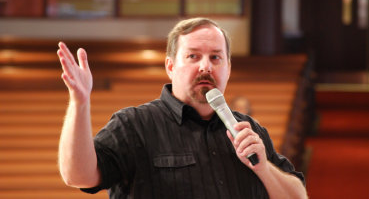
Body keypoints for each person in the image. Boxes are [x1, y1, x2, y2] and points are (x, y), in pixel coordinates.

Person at [57, 17, 307, 199]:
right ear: (170, 66)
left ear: (228, 68)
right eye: (193, 56)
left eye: (216, 57)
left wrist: (263, 168)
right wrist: (80, 103)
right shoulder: (135, 125)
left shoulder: (248, 130)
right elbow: (78, 176)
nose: (205, 67)